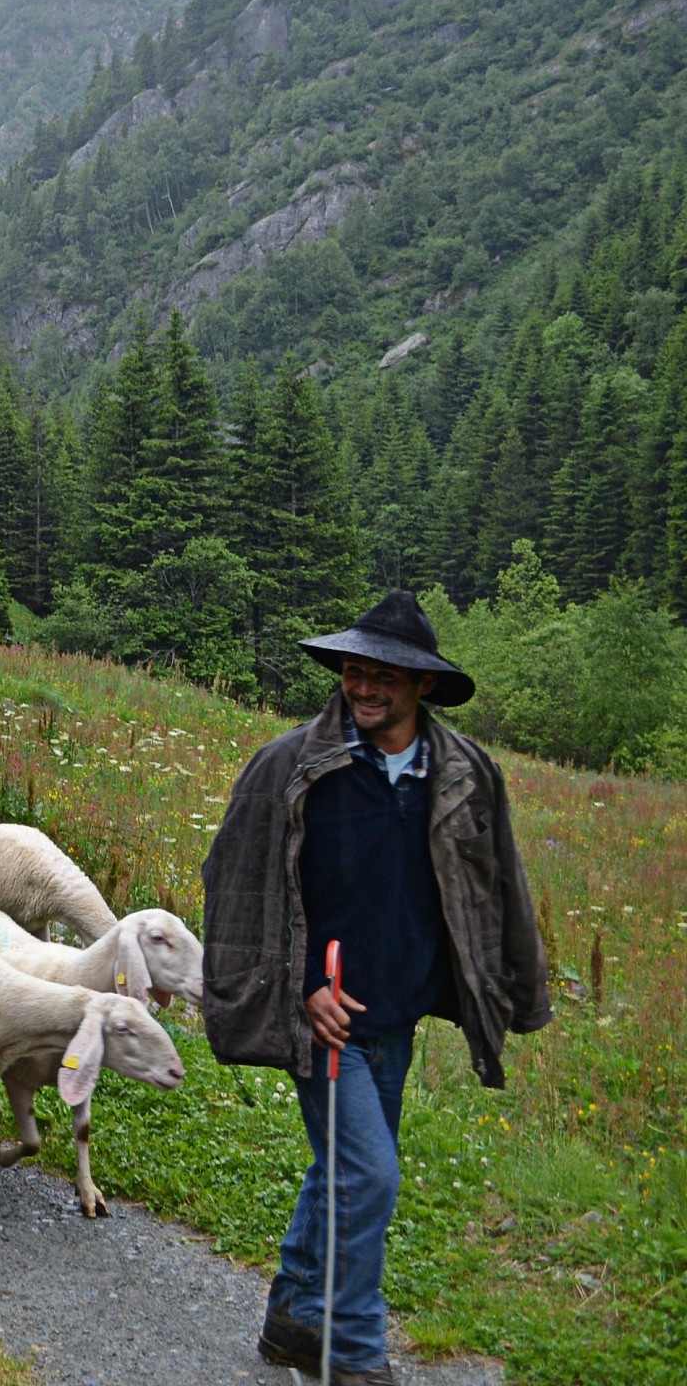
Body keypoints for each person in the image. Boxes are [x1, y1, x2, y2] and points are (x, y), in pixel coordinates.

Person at [201, 590, 549, 1385]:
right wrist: (295, 994)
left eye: (382, 676)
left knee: (346, 1170)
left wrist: (515, 993)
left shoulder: (463, 772)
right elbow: (236, 887)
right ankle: (355, 1354)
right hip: (324, 1018)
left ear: (421, 686)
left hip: (398, 1012)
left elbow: (500, 889)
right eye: (354, 672)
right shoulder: (290, 766)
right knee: (370, 1175)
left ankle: (294, 1314)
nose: (363, 688)